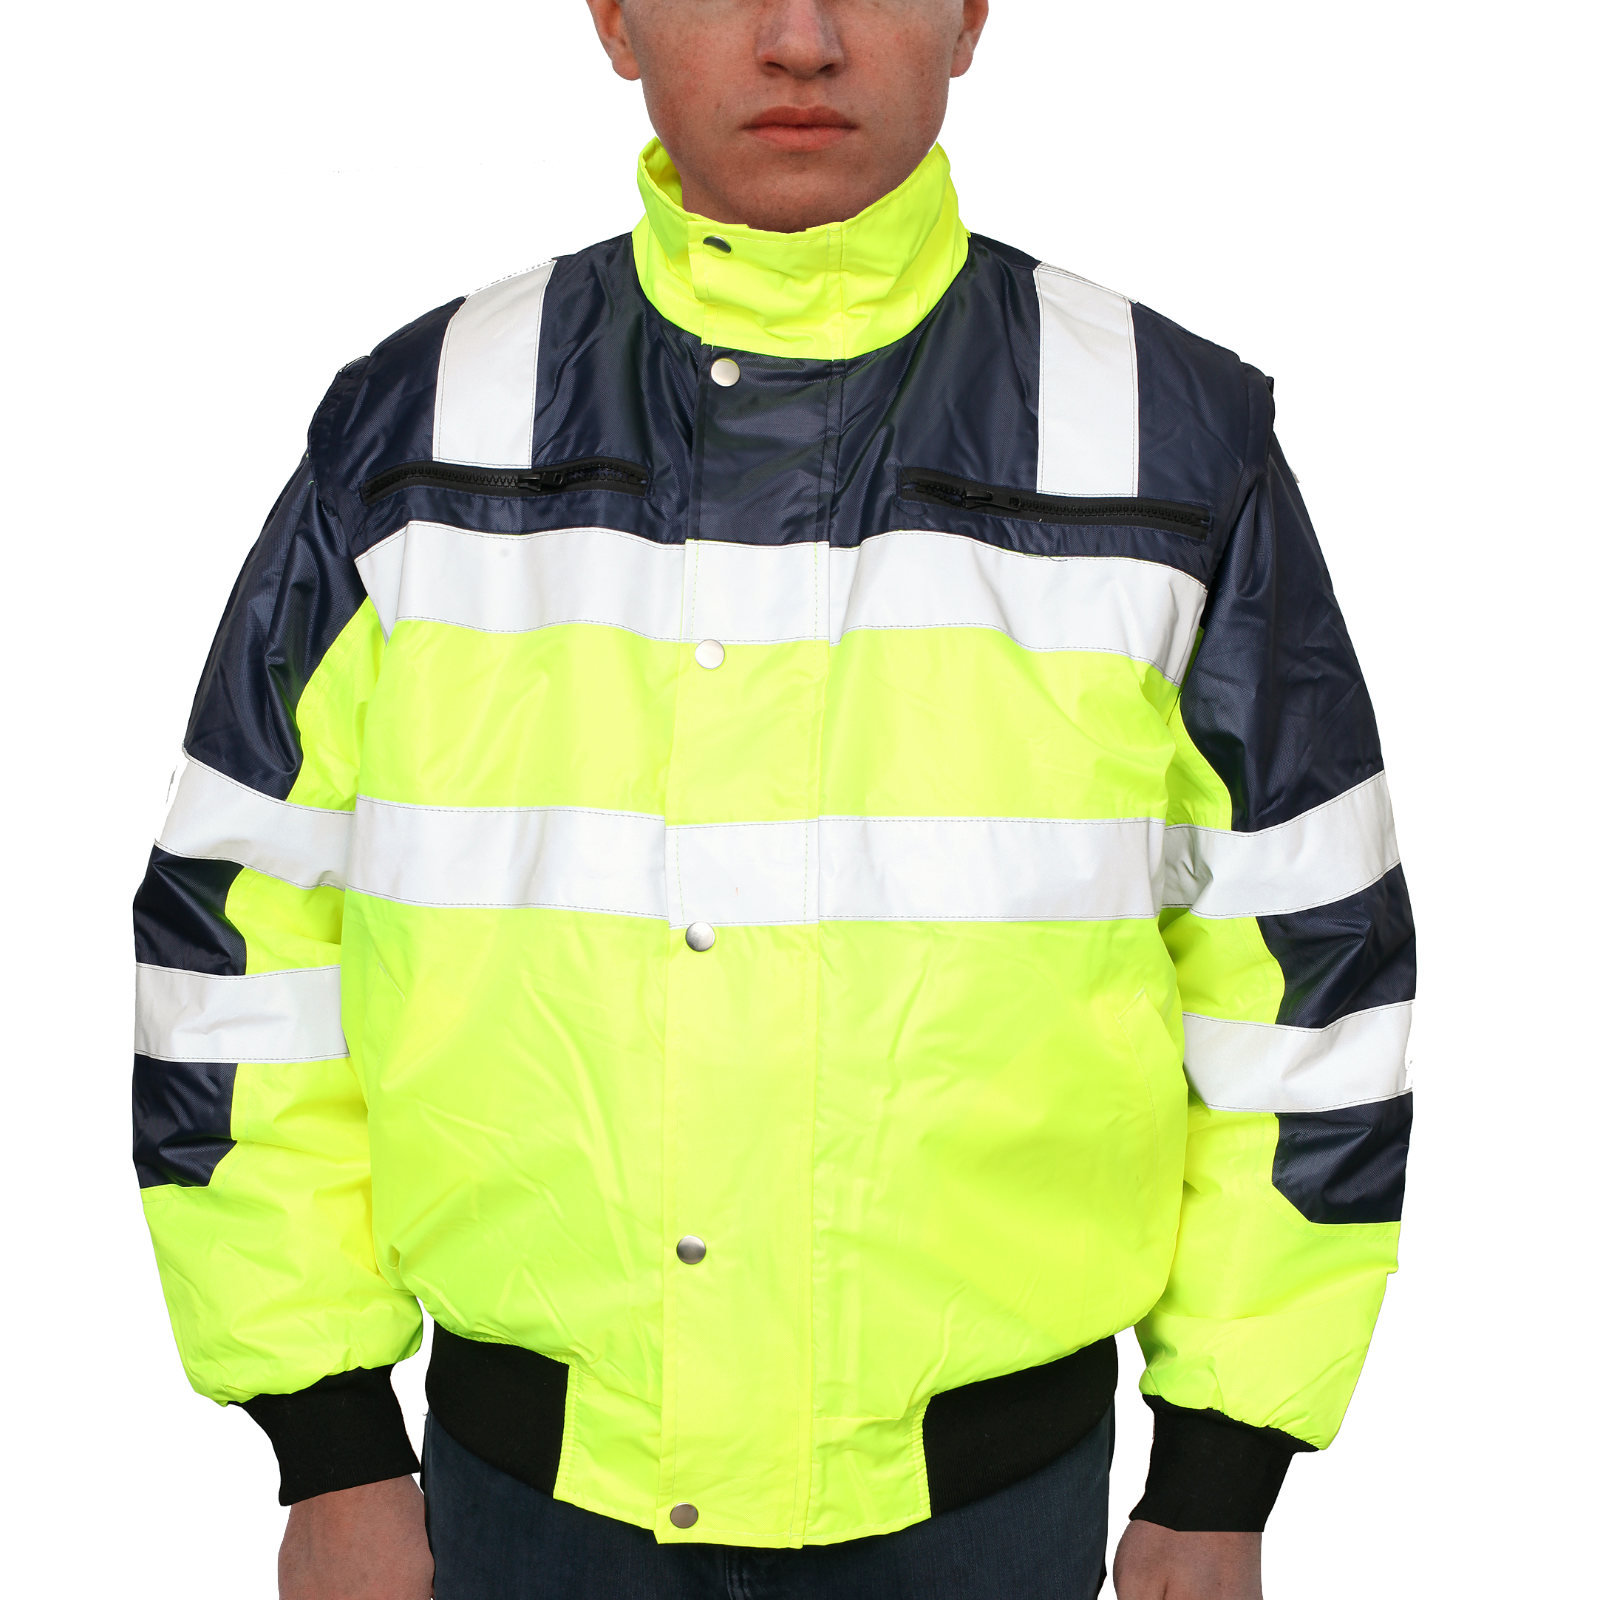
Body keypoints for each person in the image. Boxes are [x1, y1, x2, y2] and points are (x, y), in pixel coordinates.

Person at [130, 2, 1415, 1596]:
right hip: (524, 1503)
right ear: (616, 18)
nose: (801, 38)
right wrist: (326, 1439)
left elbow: (1309, 971)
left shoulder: (1170, 441)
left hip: (990, 1513)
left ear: (968, 15)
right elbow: (235, 932)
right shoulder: (417, 431)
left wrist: (1221, 1472)